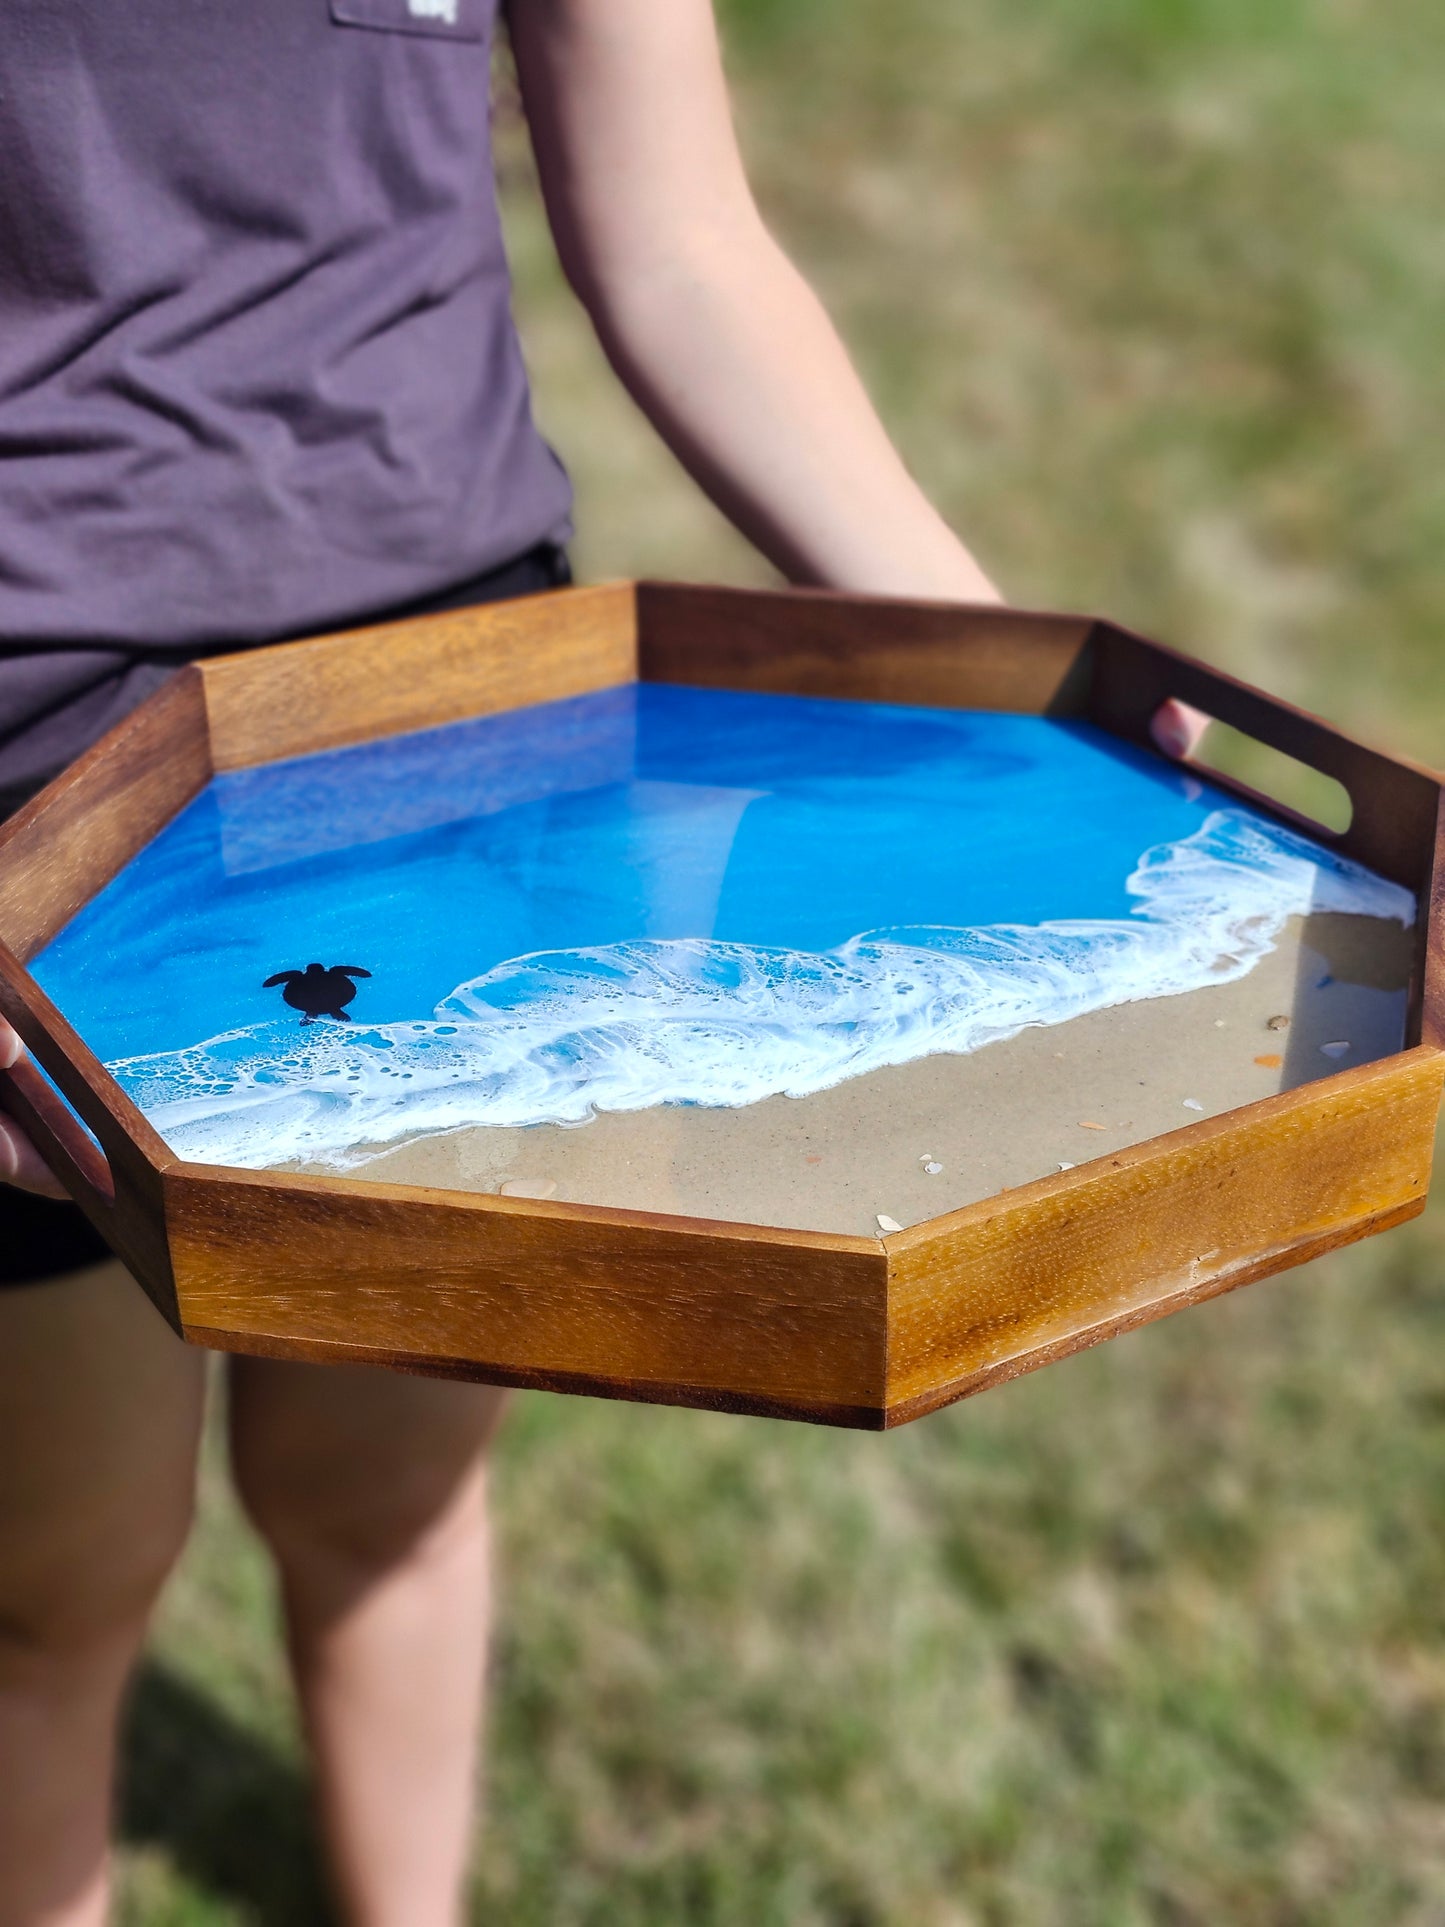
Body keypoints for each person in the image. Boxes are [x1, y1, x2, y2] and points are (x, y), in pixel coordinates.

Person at [0, 3, 1201, 1922]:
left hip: (473, 737)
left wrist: (994, 666)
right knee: (53, 1590)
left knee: (385, 1499)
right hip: (29, 780)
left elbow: (677, 232)